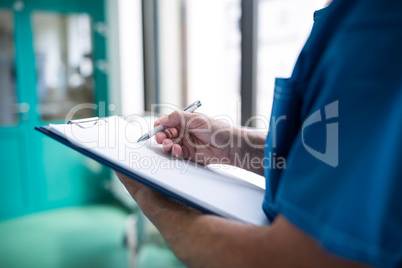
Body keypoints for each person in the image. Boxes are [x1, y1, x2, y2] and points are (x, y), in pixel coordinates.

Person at [116, 0, 402, 266]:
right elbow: (335, 161)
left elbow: (289, 259)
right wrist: (232, 146)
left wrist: (149, 196)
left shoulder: (377, 23)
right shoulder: (348, 17)